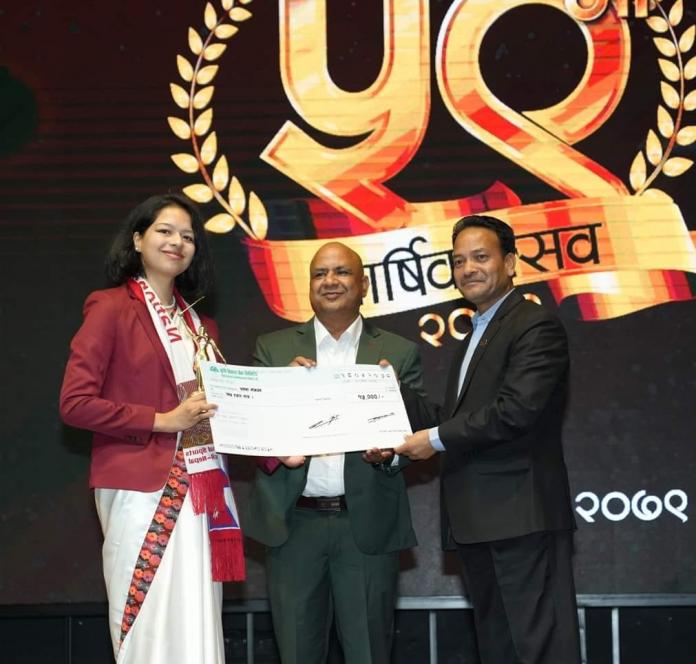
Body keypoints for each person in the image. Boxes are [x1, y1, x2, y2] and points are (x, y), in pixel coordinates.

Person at [60, 193, 244, 664]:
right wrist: (164, 421)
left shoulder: (202, 327)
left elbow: (225, 412)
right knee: (153, 621)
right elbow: (76, 404)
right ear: (138, 239)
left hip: (202, 491)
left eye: (188, 236)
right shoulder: (110, 307)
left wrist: (282, 443)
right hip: (143, 489)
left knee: (197, 614)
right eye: (165, 231)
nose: (177, 242)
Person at [395, 215, 581, 664]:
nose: (468, 269)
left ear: (511, 262)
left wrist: (434, 439)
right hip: (479, 520)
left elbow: (515, 411)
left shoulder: (534, 325)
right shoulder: (477, 331)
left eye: (481, 257)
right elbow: (460, 418)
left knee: (536, 648)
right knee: (499, 648)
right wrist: (386, 389)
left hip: (520, 516)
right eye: (459, 261)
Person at [244, 241, 425, 664]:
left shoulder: (397, 353)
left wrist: (390, 453)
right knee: (297, 653)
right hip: (294, 525)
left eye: (341, 272)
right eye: (320, 273)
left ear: (363, 284)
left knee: (369, 652)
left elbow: (412, 441)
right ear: (308, 286)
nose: (330, 281)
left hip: (365, 527)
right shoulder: (273, 349)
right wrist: (278, 394)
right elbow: (253, 434)